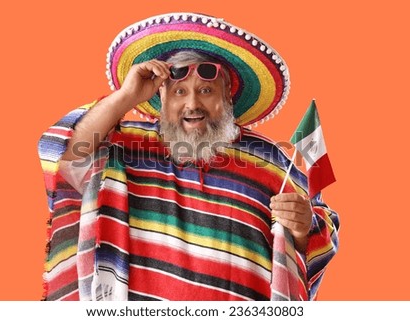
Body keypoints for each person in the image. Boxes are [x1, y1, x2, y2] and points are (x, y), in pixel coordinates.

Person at [38, 12, 339, 301]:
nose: (192, 104)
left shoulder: (272, 162)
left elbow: (321, 233)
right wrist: (125, 97)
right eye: (179, 91)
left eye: (206, 90)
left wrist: (303, 227)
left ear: (228, 94)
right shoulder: (124, 146)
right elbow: (63, 156)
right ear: (161, 97)